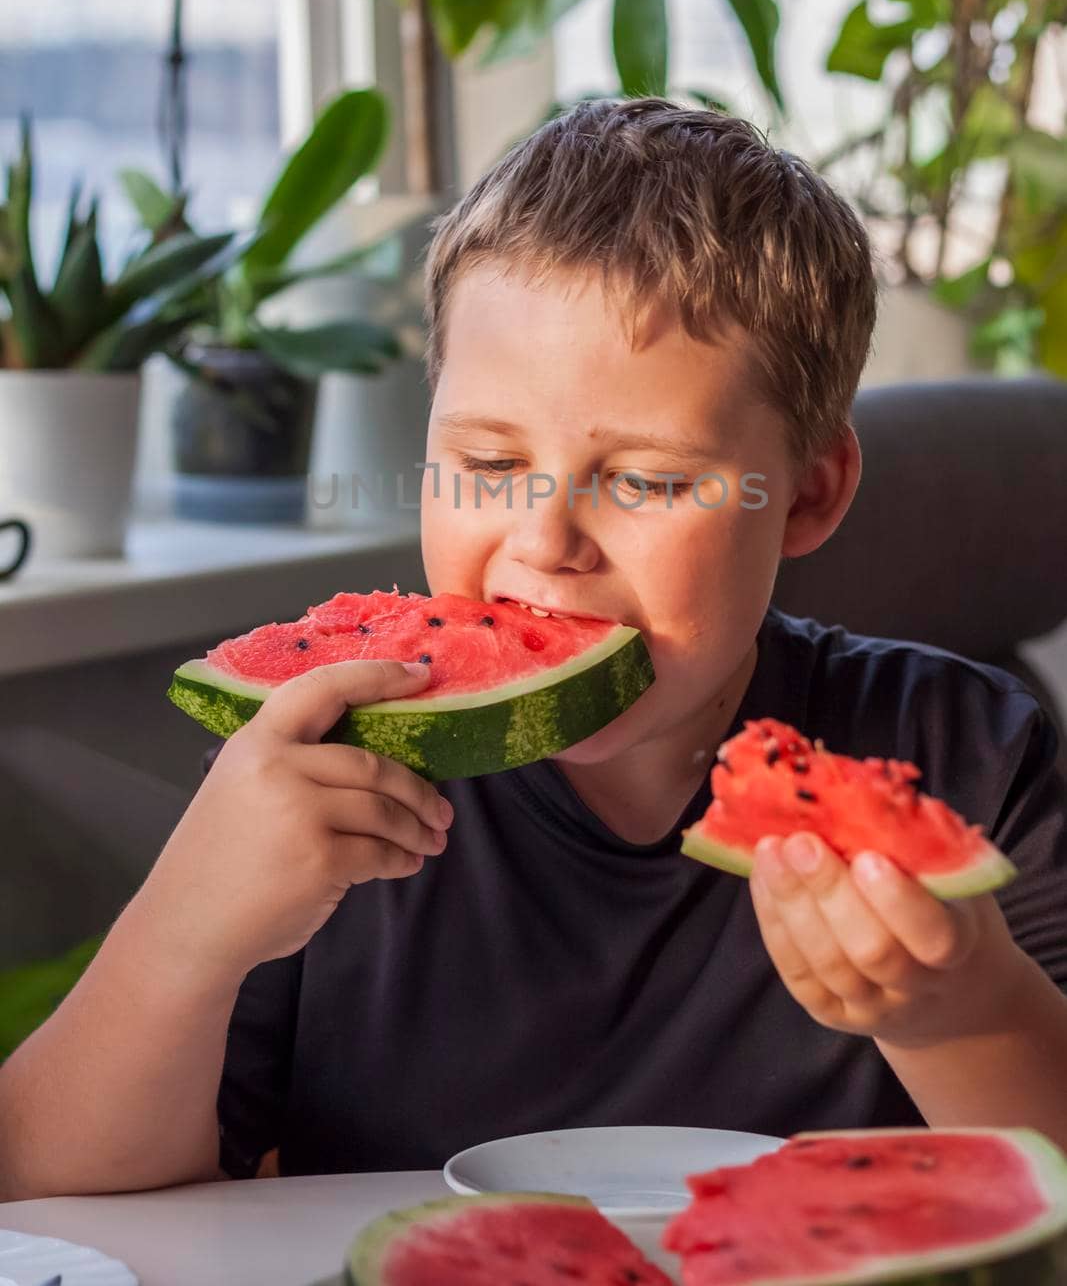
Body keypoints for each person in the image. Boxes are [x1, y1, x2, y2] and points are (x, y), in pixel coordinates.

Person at [2, 98, 1066, 1201]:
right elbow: (43, 1181)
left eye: (646, 481)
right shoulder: (328, 761)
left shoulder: (964, 752)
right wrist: (189, 928)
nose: (545, 542)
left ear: (807, 492)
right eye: (487, 461)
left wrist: (960, 1011)